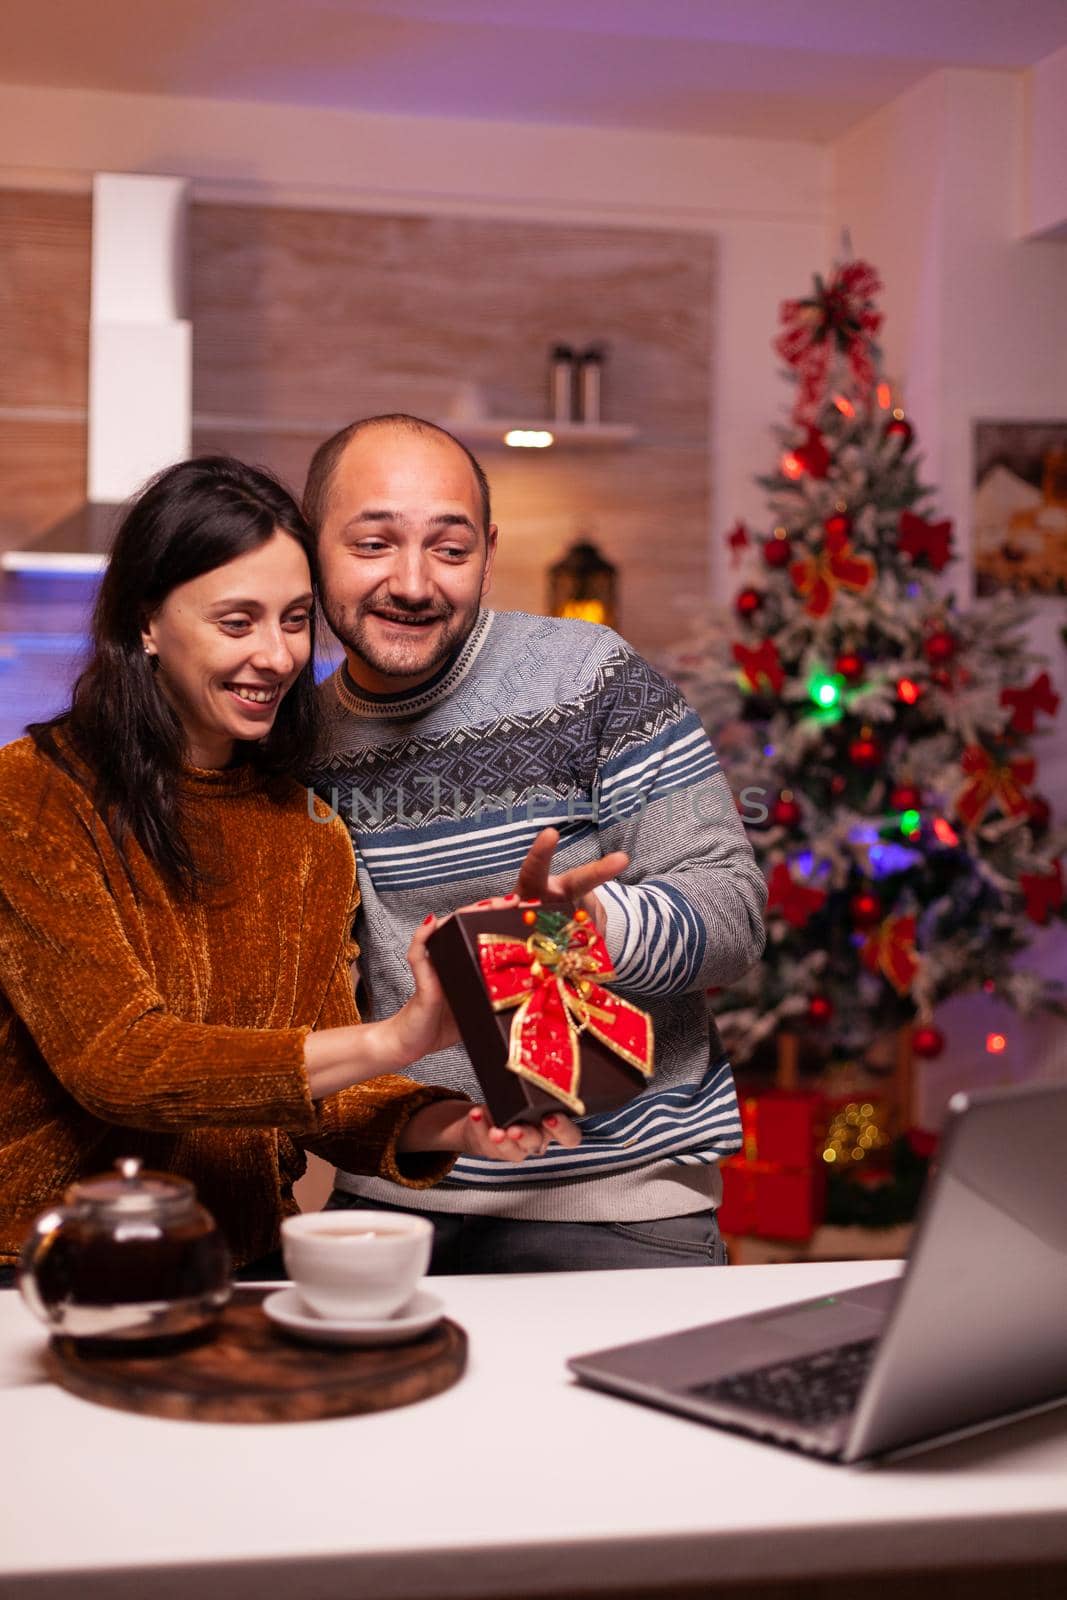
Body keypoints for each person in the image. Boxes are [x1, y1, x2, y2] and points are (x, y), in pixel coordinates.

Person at [0, 456, 577, 1288]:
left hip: (246, 1261)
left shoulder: (305, 832)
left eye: (295, 619)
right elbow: (119, 1064)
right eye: (238, 623)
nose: (276, 657)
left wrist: (451, 1126)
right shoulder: (34, 795)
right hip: (53, 1263)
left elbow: (320, 1088)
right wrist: (396, 1038)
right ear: (145, 623)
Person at [303, 415, 767, 1273]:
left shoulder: (588, 676)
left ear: (487, 549)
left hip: (618, 1207)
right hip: (393, 1202)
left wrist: (596, 923)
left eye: (449, 550)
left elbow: (734, 911)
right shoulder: (293, 741)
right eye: (372, 544)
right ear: (313, 548)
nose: (411, 582)